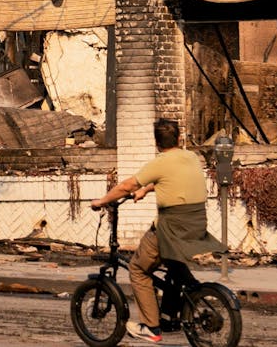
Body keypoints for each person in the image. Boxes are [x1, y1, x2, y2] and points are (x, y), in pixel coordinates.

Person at [90, 118, 222, 344]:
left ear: (156, 143)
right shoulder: (191, 157)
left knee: (138, 269)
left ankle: (151, 327)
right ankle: (174, 310)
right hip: (196, 225)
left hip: (170, 229)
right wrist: (146, 189)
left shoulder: (160, 162)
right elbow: (170, 180)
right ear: (179, 138)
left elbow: (125, 187)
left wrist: (101, 201)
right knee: (172, 266)